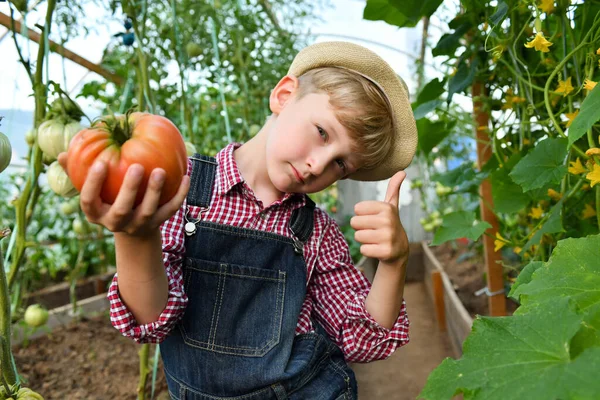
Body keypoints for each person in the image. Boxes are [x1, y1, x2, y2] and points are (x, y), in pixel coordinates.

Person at [58, 41, 418, 399]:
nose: (318, 165)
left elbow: (363, 342)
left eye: (341, 164)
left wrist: (393, 263)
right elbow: (151, 321)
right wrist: (135, 236)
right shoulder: (181, 190)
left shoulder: (316, 232)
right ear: (284, 95)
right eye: (322, 132)